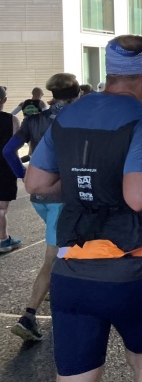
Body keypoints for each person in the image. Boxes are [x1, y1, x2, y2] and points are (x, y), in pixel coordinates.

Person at [24, 34, 142, 380]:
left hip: (71, 268)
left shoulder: (69, 114)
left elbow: (37, 183)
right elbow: (139, 196)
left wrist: (86, 181)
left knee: (76, 375)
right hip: (132, 268)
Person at [2, 73, 79, 341]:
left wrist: (23, 175)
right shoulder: (77, 117)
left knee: (65, 244)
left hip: (38, 195)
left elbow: (8, 151)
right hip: (62, 193)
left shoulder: (33, 119)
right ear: (76, 93)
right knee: (52, 255)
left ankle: (56, 285)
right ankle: (29, 316)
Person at [0, 85, 22, 253]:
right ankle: (3, 240)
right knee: (1, 208)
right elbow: (15, 146)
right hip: (4, 166)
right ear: (5, 100)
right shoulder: (12, 120)